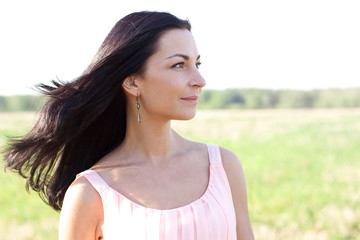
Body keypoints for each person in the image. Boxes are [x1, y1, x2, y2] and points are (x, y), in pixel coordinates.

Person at [3, 11, 254, 239]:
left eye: (196, 64)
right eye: (179, 65)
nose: (200, 80)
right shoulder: (90, 193)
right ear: (133, 82)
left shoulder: (222, 166)